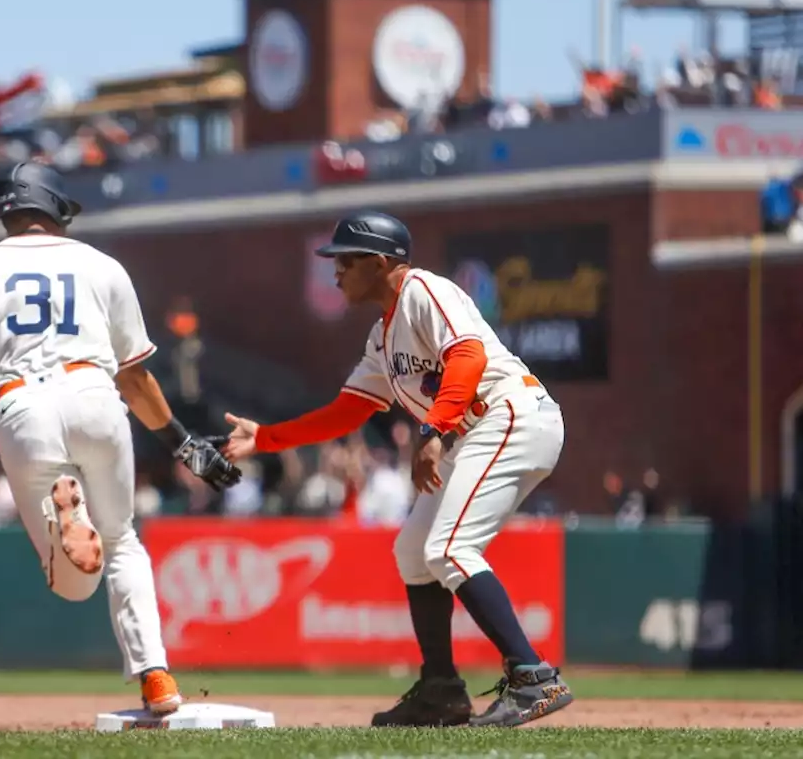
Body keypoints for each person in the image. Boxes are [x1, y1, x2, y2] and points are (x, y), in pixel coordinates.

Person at [0, 162, 240, 715]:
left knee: (72, 587)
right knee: (124, 541)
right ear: (56, 207)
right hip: (95, 395)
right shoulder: (101, 265)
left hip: (18, 406)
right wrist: (185, 445)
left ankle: (70, 511)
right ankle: (156, 677)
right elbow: (136, 377)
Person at [221, 211, 572, 728]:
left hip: (511, 415)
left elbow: (468, 357)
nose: (335, 271)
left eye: (344, 260)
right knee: (413, 551)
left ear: (381, 262)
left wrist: (433, 432)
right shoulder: (382, 338)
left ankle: (533, 676)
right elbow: (348, 411)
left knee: (449, 548)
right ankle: (441, 690)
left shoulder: (423, 292)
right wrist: (268, 438)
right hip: (472, 430)